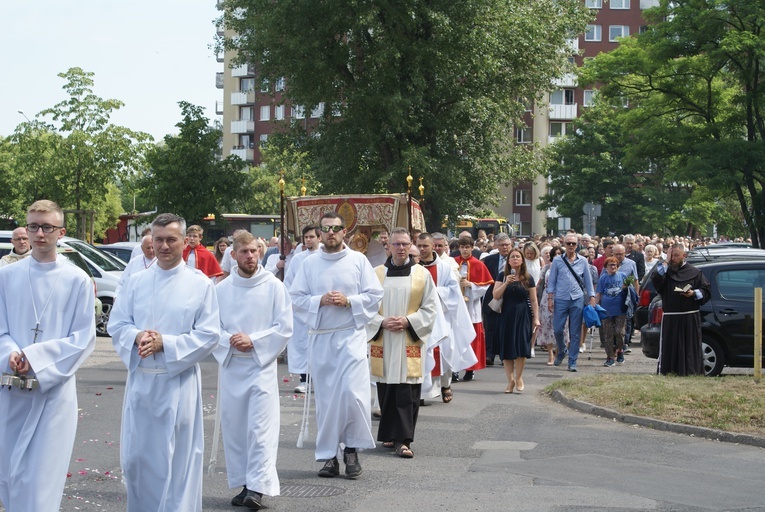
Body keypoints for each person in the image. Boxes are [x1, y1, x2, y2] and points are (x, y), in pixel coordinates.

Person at [108, 213, 220, 512]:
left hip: (179, 383)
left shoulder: (200, 284)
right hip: (142, 381)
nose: (164, 246)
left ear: (185, 241)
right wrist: (137, 336)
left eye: (171, 239)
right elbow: (117, 324)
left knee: (179, 460)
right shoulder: (136, 281)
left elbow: (209, 334)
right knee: (138, 459)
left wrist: (166, 344)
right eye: (159, 240)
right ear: (151, 242)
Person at [0, 200, 96, 512]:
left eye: (47, 227)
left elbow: (83, 338)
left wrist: (36, 358)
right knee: (11, 476)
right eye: (33, 226)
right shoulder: (7, 277)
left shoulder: (77, 280)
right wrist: (11, 354)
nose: (39, 233)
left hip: (53, 393)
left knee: (42, 480)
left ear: (61, 232)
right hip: (11, 392)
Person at [289, 212, 384, 479]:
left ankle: (351, 450)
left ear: (345, 232)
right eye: (326, 229)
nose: (331, 233)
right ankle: (329, 456)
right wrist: (320, 300)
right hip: (322, 337)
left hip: (350, 335)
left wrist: (349, 301)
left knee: (353, 395)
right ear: (319, 234)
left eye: (336, 228)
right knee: (329, 400)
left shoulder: (358, 260)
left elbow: (375, 294)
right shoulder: (309, 264)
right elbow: (295, 297)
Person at [214, 232, 293, 510]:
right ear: (233, 255)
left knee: (260, 428)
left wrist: (255, 341)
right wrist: (229, 341)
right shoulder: (221, 290)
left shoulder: (274, 287)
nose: (250, 256)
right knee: (236, 429)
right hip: (233, 366)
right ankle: (246, 483)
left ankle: (257, 488)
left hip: (261, 366)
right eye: (244, 251)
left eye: (254, 251)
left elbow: (284, 327)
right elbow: (212, 329)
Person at [368, 228, 439, 459]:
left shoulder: (422, 275)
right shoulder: (376, 274)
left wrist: (409, 321)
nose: (400, 248)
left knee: (407, 391)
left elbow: (430, 308)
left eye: (404, 244)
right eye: (396, 244)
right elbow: (367, 307)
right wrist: (381, 322)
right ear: (388, 246)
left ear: (411, 246)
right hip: (385, 337)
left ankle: (404, 440)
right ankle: (389, 434)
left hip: (409, 336)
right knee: (387, 387)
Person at [416, 233, 476, 404]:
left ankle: (445, 385)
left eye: (425, 246)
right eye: (419, 246)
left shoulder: (444, 267)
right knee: (421, 352)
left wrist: (433, 292)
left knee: (444, 352)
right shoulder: (413, 267)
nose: (422, 249)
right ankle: (423, 390)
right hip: (420, 318)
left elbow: (453, 291)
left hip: (441, 316)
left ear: (432, 246)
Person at [652, 244, 711, 376]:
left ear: (684, 256)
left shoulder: (695, 272)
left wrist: (694, 293)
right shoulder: (666, 272)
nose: (673, 258)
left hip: (690, 317)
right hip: (671, 317)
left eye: (676, 255)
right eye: (671, 255)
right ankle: (669, 371)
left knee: (689, 346)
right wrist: (666, 260)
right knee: (671, 347)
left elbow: (706, 291)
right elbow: (656, 279)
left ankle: (691, 372)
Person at [546, 233, 597, 372]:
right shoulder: (557, 261)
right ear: (564, 244)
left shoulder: (583, 261)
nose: (570, 246)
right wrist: (550, 298)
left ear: (577, 245)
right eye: (568, 243)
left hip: (577, 299)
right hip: (561, 298)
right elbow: (552, 281)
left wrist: (592, 296)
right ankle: (562, 350)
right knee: (557, 329)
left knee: (575, 332)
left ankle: (572, 361)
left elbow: (588, 280)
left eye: (573, 244)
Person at [492, 248, 539, 393]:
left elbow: (533, 299)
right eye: (512, 257)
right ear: (508, 261)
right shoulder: (502, 275)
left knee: (521, 348)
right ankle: (510, 380)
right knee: (507, 349)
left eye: (518, 257)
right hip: (506, 315)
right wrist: (506, 283)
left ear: (522, 260)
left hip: (523, 315)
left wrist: (536, 318)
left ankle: (519, 378)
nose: (515, 259)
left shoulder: (528, 277)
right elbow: (495, 295)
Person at [284, 225, 321, 394]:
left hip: (321, 308)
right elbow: (289, 282)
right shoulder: (298, 259)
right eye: (306, 237)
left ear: (319, 238)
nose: (308, 240)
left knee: (320, 346)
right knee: (302, 345)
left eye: (312, 237)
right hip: (302, 309)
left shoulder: (325, 257)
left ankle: (321, 380)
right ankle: (304, 380)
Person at [453, 236, 493, 381]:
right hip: (456, 305)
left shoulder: (478, 264)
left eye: (467, 247)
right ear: (459, 248)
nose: (464, 250)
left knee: (472, 337)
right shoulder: (453, 263)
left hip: (471, 306)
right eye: (462, 247)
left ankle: (470, 369)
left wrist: (471, 285)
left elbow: (486, 286)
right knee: (456, 337)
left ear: (471, 248)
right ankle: (454, 370)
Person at [481, 233, 513, 366]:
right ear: (497, 246)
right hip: (492, 297)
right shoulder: (489, 260)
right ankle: (489, 355)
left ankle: (505, 355)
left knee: (507, 328)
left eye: (507, 245)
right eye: (502, 245)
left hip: (510, 298)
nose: (505, 247)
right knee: (490, 328)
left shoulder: (516, 259)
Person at [596, 257, 629, 367]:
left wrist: (625, 288)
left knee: (619, 332)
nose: (613, 267)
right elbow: (599, 294)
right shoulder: (603, 278)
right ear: (606, 267)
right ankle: (610, 356)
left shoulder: (623, 276)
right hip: (606, 310)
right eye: (610, 265)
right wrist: (595, 306)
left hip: (620, 309)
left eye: (615, 265)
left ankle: (620, 350)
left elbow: (630, 291)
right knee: (608, 334)